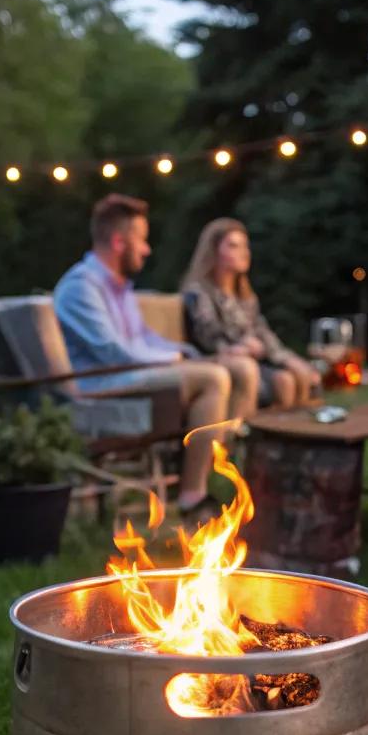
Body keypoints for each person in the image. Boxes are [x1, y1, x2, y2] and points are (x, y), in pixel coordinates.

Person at [54, 194, 258, 519]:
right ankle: (193, 495)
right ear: (119, 242)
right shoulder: (81, 287)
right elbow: (112, 352)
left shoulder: (118, 287)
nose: (147, 249)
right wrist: (179, 361)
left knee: (223, 368)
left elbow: (144, 338)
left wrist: (187, 353)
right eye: (142, 240)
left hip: (131, 374)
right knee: (212, 378)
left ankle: (217, 474)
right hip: (106, 384)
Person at [182, 218, 320, 407]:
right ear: (213, 251)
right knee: (283, 382)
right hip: (221, 360)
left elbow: (263, 333)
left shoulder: (245, 296)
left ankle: (301, 431)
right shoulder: (199, 293)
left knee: (300, 375)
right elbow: (208, 336)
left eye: (245, 246)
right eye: (233, 246)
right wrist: (245, 346)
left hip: (257, 360)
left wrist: (288, 359)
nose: (244, 253)